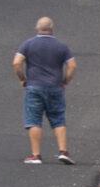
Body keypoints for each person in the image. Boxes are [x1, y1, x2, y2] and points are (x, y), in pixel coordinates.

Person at [14, 17, 78, 165]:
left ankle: (36, 155)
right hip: (55, 87)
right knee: (58, 119)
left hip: (34, 86)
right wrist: (65, 81)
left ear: (37, 28)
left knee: (34, 120)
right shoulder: (61, 46)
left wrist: (22, 78)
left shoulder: (28, 44)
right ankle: (63, 152)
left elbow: (16, 62)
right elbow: (72, 65)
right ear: (52, 28)